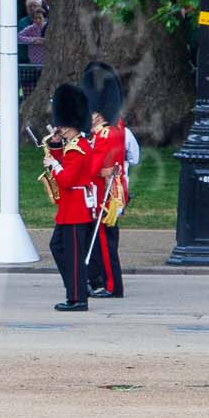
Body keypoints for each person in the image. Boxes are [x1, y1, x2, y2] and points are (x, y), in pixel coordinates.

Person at [43, 83, 96, 312]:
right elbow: (64, 166)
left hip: (75, 208)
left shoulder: (77, 148)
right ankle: (77, 287)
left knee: (73, 255)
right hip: (69, 208)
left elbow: (66, 180)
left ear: (73, 124)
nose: (60, 129)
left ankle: (77, 297)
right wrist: (55, 147)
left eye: (63, 126)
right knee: (58, 247)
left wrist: (54, 164)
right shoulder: (73, 145)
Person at [80, 62, 129, 300]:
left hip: (106, 195)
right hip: (109, 190)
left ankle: (112, 285)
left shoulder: (106, 133)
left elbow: (93, 167)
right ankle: (102, 280)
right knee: (103, 241)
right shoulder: (114, 128)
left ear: (97, 114)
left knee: (105, 243)